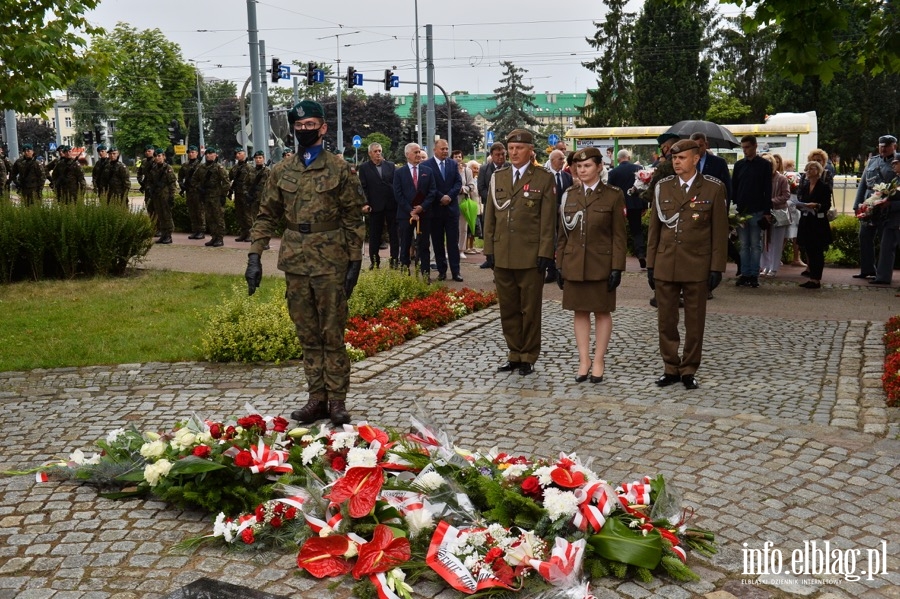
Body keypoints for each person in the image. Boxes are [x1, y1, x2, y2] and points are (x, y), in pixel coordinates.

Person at [244, 99, 365, 426]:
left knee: (332, 332)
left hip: (331, 261)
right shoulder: (282, 171)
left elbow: (354, 219)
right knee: (308, 334)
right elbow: (266, 215)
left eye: (311, 125)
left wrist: (355, 261)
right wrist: (254, 255)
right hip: (296, 261)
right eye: (299, 126)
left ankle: (337, 400)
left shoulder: (340, 169)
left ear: (323, 128)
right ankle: (316, 398)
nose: (304, 130)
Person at [646, 139, 727, 389]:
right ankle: (670, 367)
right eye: (674, 158)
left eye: (681, 158)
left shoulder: (713, 188)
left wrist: (717, 267)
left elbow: (719, 231)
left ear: (695, 158)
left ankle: (689, 369)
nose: (676, 162)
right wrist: (651, 264)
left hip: (697, 264)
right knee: (666, 320)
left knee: (695, 321)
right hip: (666, 263)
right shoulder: (663, 187)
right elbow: (654, 229)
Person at [483, 128, 556, 376]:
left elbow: (548, 221)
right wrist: (488, 249)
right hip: (502, 254)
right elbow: (490, 217)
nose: (513, 153)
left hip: (530, 255)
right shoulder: (498, 177)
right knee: (509, 308)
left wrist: (546, 252)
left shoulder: (543, 178)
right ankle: (514, 353)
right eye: (510, 149)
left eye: (519, 148)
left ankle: (528, 356)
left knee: (530, 309)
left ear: (530, 150)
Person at [556, 147, 626, 383]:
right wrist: (559, 263)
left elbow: (619, 235)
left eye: (587, 165)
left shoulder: (613, 195)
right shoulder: (569, 195)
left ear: (599, 167)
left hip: (601, 263)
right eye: (578, 166)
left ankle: (599, 360)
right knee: (580, 311)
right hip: (574, 261)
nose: (582, 170)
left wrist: (617, 267)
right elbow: (563, 234)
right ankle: (584, 360)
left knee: (602, 311)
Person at [732, 135, 773, 288]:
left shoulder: (764, 165)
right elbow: (734, 188)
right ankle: (745, 273)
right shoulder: (739, 165)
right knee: (744, 244)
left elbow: (767, 189)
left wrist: (767, 211)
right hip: (741, 211)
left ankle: (754, 274)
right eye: (743, 148)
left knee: (755, 244)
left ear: (755, 146)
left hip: (757, 209)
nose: (745, 151)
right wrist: (733, 209)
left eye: (747, 147)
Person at [393, 142, 437, 281]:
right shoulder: (399, 172)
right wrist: (410, 211)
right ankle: (405, 274)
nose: (418, 155)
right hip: (405, 215)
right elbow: (398, 194)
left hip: (424, 214)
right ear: (407, 155)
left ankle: (425, 275)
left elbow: (432, 191)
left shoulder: (427, 171)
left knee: (424, 245)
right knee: (405, 244)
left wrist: (422, 207)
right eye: (415, 152)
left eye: (419, 152)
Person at [423, 139, 463, 282]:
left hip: (451, 210)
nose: (446, 151)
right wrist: (441, 197)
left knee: (453, 242)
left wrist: (450, 196)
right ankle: (442, 271)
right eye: (443, 149)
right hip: (435, 210)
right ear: (435, 150)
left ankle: (456, 271)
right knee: (438, 242)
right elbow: (428, 186)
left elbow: (458, 182)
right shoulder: (427, 165)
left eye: (447, 149)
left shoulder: (453, 164)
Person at [357, 142, 398, 269]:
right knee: (375, 235)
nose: (378, 153)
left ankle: (395, 260)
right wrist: (365, 203)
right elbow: (362, 187)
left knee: (394, 234)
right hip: (375, 206)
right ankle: (374, 262)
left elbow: (395, 184)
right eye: (375, 151)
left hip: (391, 205)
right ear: (370, 153)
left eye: (379, 151)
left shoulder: (390, 166)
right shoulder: (364, 168)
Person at [795, 160, 833, 289]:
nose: (809, 171)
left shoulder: (823, 187)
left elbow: (827, 205)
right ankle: (811, 276)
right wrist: (800, 205)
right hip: (806, 221)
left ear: (818, 171)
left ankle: (816, 279)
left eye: (812, 169)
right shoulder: (805, 186)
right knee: (808, 249)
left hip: (818, 222)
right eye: (807, 169)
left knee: (817, 251)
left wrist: (817, 205)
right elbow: (801, 200)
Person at [607, 148, 644, 268]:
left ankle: (619, 258)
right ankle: (641, 254)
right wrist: (643, 205)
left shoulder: (613, 172)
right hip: (635, 205)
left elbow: (610, 190)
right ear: (628, 157)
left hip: (620, 206)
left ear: (618, 159)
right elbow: (644, 188)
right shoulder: (638, 169)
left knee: (619, 232)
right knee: (637, 231)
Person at [477, 142, 509, 269]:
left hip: (506, 208)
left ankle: (502, 259)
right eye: (497, 155)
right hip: (490, 207)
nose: (500, 157)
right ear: (492, 155)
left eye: (503, 154)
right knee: (489, 232)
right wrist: (493, 200)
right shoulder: (485, 169)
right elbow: (481, 188)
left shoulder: (509, 167)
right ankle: (489, 257)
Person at [759, 154, 791, 277]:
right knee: (764, 241)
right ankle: (764, 266)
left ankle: (773, 268)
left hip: (778, 213)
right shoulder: (761, 178)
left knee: (776, 242)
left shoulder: (781, 178)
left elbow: (786, 195)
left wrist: (771, 201)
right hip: (764, 213)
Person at [545, 149, 574, 283]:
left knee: (563, 242)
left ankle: (562, 268)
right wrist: (557, 207)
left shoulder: (566, 176)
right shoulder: (545, 177)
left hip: (565, 216)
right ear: (552, 161)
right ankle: (551, 270)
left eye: (563, 159)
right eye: (560, 159)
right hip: (550, 215)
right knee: (551, 242)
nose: (563, 161)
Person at [194, 147, 230, 247]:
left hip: (216, 197)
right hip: (206, 196)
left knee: (218, 218)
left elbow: (227, 183)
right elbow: (194, 180)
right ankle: (213, 237)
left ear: (215, 155)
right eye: (208, 154)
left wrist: (223, 194)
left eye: (212, 153)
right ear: (205, 155)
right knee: (209, 217)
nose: (209, 155)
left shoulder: (219, 167)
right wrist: (199, 188)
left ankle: (220, 238)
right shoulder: (201, 168)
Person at [878, 156, 900, 287]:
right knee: (886, 247)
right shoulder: (895, 179)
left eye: (896, 163)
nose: (893, 166)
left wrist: (890, 204)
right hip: (891, 219)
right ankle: (883, 277)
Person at [146, 149, 176, 244]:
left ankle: (168, 235)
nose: (157, 158)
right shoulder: (153, 168)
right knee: (159, 215)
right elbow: (149, 181)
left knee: (166, 215)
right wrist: (150, 189)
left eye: (159, 156)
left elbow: (172, 184)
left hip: (165, 195)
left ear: (164, 156)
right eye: (156, 156)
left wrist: (171, 196)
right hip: (156, 195)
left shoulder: (168, 168)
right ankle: (163, 234)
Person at [452, 149, 475, 259]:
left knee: (463, 227)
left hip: (463, 202)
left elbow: (471, 186)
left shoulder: (467, 171)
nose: (458, 158)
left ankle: (461, 249)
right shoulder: (449, 170)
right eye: (455, 156)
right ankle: (451, 249)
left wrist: (463, 189)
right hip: (451, 202)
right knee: (451, 227)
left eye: (459, 156)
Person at [179, 146, 205, 239]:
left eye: (193, 152)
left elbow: (204, 179)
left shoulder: (201, 166)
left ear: (197, 153)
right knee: (192, 211)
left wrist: (200, 187)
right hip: (189, 191)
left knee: (199, 211)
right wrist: (181, 184)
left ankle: (201, 231)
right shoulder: (185, 165)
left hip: (198, 192)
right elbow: (180, 177)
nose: (191, 154)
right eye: (189, 152)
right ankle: (195, 230)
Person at [230, 147, 254, 242]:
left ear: (244, 154)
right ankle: (243, 233)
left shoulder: (249, 168)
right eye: (237, 153)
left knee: (247, 214)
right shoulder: (235, 168)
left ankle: (250, 234)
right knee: (240, 214)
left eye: (239, 153)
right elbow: (229, 178)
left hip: (245, 194)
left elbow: (252, 181)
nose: (238, 155)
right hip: (237, 193)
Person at [247, 150, 269, 226]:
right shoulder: (251, 171)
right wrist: (247, 194)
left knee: (264, 219)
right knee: (253, 218)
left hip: (263, 199)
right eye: (256, 158)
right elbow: (245, 184)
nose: (258, 160)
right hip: (253, 199)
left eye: (260, 158)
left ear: (263, 159)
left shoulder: (267, 171)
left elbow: (272, 186)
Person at [465, 159, 482, 253]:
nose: (476, 170)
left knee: (474, 228)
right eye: (474, 168)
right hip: (470, 207)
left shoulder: (476, 180)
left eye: (477, 168)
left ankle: (471, 246)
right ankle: (467, 247)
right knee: (469, 228)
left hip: (478, 207)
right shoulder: (469, 180)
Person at [137, 145, 157, 225]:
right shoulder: (144, 161)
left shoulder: (156, 160)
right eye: (146, 151)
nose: (147, 153)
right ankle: (153, 226)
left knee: (156, 208)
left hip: (155, 188)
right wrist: (140, 182)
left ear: (153, 151)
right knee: (149, 207)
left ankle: (159, 227)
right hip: (147, 188)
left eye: (149, 151)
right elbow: (139, 172)